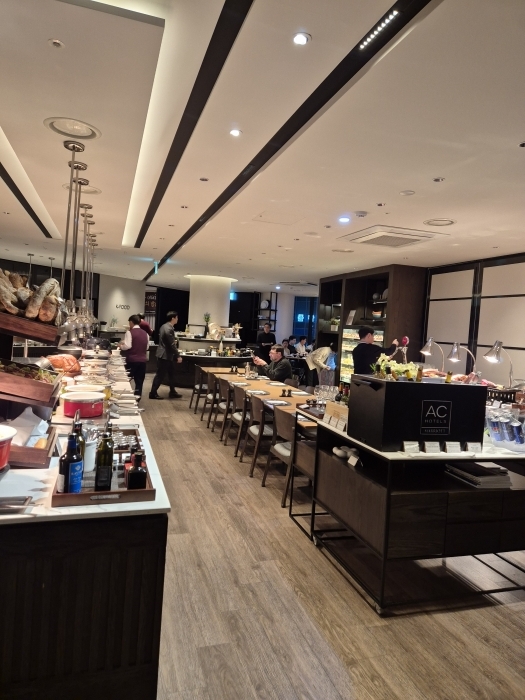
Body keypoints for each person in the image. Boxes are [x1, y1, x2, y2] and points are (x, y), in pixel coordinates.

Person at [149, 311, 182, 399]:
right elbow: (171, 344)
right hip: (165, 355)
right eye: (176, 317)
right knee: (160, 375)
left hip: (166, 355)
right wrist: (178, 355)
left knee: (171, 373)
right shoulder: (168, 329)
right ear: (173, 318)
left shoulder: (164, 326)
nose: (177, 319)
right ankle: (152, 393)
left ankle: (172, 391)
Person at [119, 315, 148, 399]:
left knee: (126, 379)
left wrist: (121, 346)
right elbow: (147, 347)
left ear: (131, 322)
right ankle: (137, 398)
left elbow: (128, 346)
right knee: (139, 382)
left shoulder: (129, 332)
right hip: (142, 361)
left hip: (132, 360)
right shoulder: (145, 333)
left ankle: (125, 398)